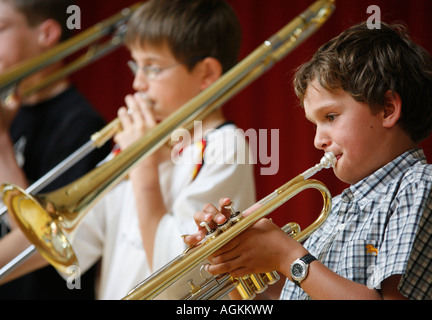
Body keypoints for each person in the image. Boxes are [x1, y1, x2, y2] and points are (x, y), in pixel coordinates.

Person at [0, 0, 256, 300]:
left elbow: (178, 278)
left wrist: (142, 163)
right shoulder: (140, 143)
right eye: (136, 65)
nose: (138, 82)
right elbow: (59, 241)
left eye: (153, 68)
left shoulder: (226, 146)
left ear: (207, 74)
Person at [185, 21, 432, 300]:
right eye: (314, 124)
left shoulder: (419, 185)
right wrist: (239, 264)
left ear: (387, 109)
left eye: (330, 117)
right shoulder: (339, 206)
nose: (318, 141)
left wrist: (287, 255)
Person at [0, 0, 110, 299]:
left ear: (46, 34)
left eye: (1, 29)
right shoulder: (10, 111)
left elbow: (40, 242)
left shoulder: (83, 126)